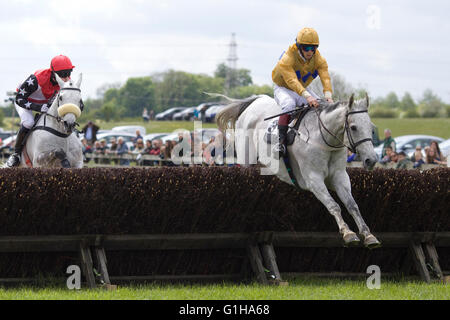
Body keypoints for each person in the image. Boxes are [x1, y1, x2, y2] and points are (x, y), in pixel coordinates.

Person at [272, 27, 333, 156]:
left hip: (302, 88)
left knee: (322, 105)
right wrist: (308, 96)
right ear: (299, 46)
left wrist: (328, 96)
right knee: (289, 105)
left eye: (313, 48)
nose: (310, 52)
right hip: (283, 88)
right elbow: (292, 81)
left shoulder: (319, 59)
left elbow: (325, 77)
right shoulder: (288, 57)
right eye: (306, 48)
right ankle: (280, 141)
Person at [6, 55, 76, 167]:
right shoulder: (36, 79)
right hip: (24, 100)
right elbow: (19, 98)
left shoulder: (66, 82)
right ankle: (16, 155)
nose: (67, 77)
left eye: (69, 72)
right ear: (53, 72)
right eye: (63, 74)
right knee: (28, 123)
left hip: (45, 103)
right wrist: (38, 107)